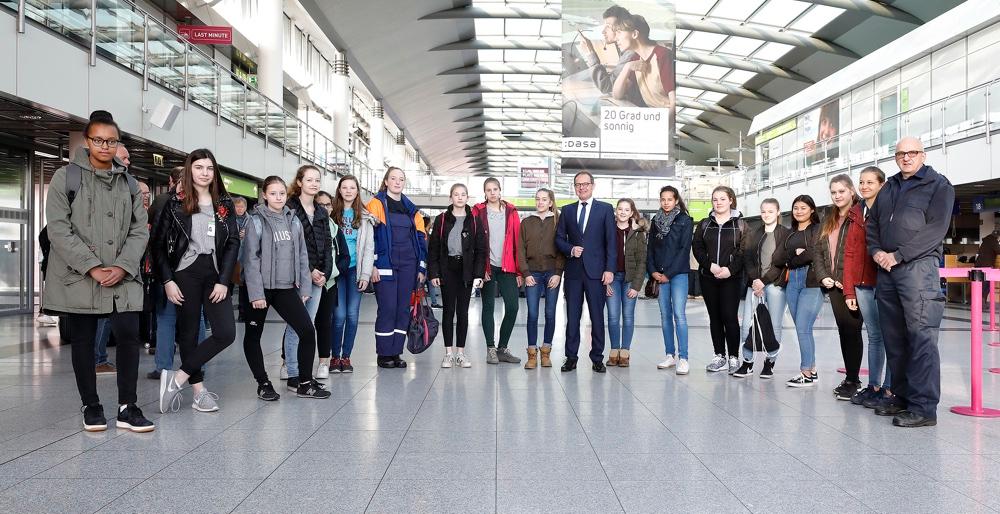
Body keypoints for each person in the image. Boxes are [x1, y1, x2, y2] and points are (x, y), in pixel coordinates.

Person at [43, 110, 153, 432]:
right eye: (99, 140)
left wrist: (122, 265)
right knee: (84, 340)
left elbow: (140, 229)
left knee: (130, 336)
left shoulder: (129, 183)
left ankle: (127, 407)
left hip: (123, 275)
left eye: (111, 140)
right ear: (88, 141)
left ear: (118, 142)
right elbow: (59, 230)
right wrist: (92, 266)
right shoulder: (66, 177)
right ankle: (91, 405)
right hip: (80, 276)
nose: (105, 146)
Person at [867, 137, 954, 427]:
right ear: (895, 157)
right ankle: (901, 398)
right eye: (901, 153)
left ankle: (924, 407)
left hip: (918, 269)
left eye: (912, 153)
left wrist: (899, 255)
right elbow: (873, 225)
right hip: (887, 271)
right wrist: (878, 252)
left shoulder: (938, 185)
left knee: (921, 337)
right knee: (894, 338)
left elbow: (936, 229)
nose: (906, 157)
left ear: (922, 155)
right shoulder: (889, 186)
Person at [151, 149, 240, 414]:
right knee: (189, 333)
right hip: (185, 272)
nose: (204, 173)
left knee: (225, 333)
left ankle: (177, 379)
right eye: (199, 167)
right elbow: (156, 245)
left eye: (209, 168)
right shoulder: (173, 202)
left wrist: (224, 280)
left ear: (215, 172)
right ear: (190, 170)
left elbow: (234, 241)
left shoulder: (223, 203)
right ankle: (199, 392)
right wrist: (167, 280)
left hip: (215, 274)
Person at [242, 176, 330, 400]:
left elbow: (302, 256)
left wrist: (305, 288)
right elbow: (250, 259)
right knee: (254, 335)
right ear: (264, 195)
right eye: (273, 193)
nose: (278, 197)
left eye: (281, 193)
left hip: (285, 288)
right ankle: (263, 383)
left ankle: (304, 382)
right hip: (260, 289)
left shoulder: (293, 220)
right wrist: (256, 294)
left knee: (307, 331)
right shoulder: (256, 220)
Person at [147, 166, 205, 381]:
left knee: (166, 319)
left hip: (169, 270)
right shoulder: (203, 203)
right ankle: (197, 364)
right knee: (195, 318)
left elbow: (154, 238)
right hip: (194, 272)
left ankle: (163, 367)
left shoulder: (162, 201)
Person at [366, 167, 427, 368]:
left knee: (402, 309)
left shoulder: (412, 209)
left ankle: (396, 352)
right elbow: (370, 237)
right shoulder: (375, 205)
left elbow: (420, 238)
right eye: (393, 178)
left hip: (409, 264)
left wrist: (421, 267)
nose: (397, 182)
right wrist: (372, 264)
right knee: (388, 308)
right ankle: (384, 353)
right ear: (386, 181)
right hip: (385, 264)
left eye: (401, 179)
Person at [556, 171, 616, 373]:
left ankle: (597, 358)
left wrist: (609, 269)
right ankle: (571, 357)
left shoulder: (605, 209)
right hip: (573, 272)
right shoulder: (567, 210)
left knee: (597, 317)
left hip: (597, 273)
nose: (581, 188)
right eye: (578, 185)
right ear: (574, 187)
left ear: (593, 185)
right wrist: (570, 249)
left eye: (585, 184)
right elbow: (558, 239)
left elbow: (611, 242)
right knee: (572, 317)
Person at [814, 174, 865, 400]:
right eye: (833, 192)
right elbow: (818, 250)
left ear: (851, 191)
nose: (837, 196)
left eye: (841, 191)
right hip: (832, 284)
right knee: (845, 331)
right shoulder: (829, 216)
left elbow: (858, 252)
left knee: (853, 331)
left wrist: (847, 279)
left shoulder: (859, 214)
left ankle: (855, 380)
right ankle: (850, 377)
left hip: (852, 284)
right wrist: (824, 275)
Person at [280, 165, 333, 386]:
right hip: (298, 276)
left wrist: (324, 273)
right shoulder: (289, 208)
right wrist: (309, 271)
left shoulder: (321, 212)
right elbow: (291, 246)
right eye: (309, 180)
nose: (314, 184)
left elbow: (328, 245)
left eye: (317, 180)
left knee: (308, 325)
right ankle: (292, 371)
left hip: (319, 277)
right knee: (297, 324)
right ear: (299, 182)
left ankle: (301, 372)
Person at [843, 167, 891, 408]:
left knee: (890, 336)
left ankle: (889, 389)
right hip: (862, 285)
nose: (864, 186)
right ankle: (873, 386)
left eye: (870, 182)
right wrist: (849, 290)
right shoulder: (856, 212)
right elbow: (849, 253)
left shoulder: (889, 209)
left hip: (885, 282)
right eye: (861, 182)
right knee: (874, 336)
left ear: (881, 185)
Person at [428, 184, 485, 368]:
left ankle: (460, 352)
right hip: (447, 269)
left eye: (463, 194)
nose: (459, 197)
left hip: (466, 270)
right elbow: (434, 248)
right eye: (456, 194)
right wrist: (434, 272)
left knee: (463, 312)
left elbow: (481, 250)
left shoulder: (475, 220)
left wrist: (478, 274)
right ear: (450, 197)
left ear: (467, 197)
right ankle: (448, 353)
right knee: (448, 311)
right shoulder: (442, 219)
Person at [732, 198, 790, 379]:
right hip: (754, 285)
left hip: (775, 286)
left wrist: (764, 281)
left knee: (774, 326)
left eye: (770, 211)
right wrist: (755, 280)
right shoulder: (754, 234)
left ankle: (769, 363)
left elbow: (780, 262)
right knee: (747, 324)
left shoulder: (785, 234)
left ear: (778, 212)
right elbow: (747, 258)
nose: (766, 215)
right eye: (763, 211)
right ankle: (747, 363)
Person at [692, 186, 746, 373]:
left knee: (730, 317)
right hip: (708, 277)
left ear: (731, 200)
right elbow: (697, 248)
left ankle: (733, 356)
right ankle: (719, 356)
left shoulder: (741, 224)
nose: (718, 202)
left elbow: (743, 251)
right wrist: (710, 266)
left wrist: (729, 270)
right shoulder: (705, 224)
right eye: (715, 199)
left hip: (731, 278)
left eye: (722, 199)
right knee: (714, 317)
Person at [93, 143, 134, 374]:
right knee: (102, 317)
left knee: (107, 317)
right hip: (102, 266)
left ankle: (99, 358)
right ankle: (98, 360)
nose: (128, 162)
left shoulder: (127, 186)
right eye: (125, 158)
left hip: (119, 266)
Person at [472, 177, 523, 365]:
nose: (492, 193)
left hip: (507, 266)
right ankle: (491, 349)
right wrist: (480, 269)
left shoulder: (511, 212)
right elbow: (474, 243)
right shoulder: (478, 211)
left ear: (500, 191)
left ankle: (503, 348)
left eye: (495, 189)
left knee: (512, 307)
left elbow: (518, 242)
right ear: (484, 193)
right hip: (487, 267)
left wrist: (519, 271)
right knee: (488, 307)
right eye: (488, 190)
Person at [774, 195, 823, 388]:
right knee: (803, 329)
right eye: (796, 207)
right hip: (792, 282)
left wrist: (793, 259)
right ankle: (812, 369)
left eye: (803, 207)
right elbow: (778, 257)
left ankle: (805, 372)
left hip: (811, 281)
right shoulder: (790, 233)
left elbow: (814, 253)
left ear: (812, 209)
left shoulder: (817, 230)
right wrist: (795, 257)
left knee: (803, 327)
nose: (799, 211)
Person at [329, 175, 375, 373]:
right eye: (344, 187)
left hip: (355, 271)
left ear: (357, 191)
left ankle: (346, 357)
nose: (348, 191)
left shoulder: (365, 217)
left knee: (353, 316)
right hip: (336, 270)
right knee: (338, 316)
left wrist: (365, 275)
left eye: (352, 188)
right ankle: (334, 357)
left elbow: (368, 248)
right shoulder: (330, 214)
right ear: (339, 190)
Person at [647, 186, 693, 374]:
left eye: (669, 199)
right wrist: (653, 271)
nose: (666, 202)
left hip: (678, 274)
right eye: (663, 199)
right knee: (665, 315)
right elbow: (650, 249)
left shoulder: (685, 220)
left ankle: (684, 358)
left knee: (679, 315)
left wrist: (669, 274)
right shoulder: (655, 221)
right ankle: (670, 355)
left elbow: (684, 250)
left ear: (676, 200)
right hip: (659, 274)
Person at [518, 188, 564, 369]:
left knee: (550, 313)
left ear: (551, 202)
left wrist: (558, 273)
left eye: (544, 199)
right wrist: (526, 273)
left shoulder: (558, 222)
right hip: (533, 274)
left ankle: (546, 351)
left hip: (552, 272)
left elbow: (562, 249)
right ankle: (531, 353)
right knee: (532, 313)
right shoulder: (527, 222)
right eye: (538, 199)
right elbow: (520, 249)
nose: (540, 202)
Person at [606, 198, 647, 367]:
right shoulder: (608, 230)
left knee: (628, 317)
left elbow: (642, 261)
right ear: (616, 211)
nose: (622, 212)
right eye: (619, 209)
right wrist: (605, 281)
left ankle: (625, 351)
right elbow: (601, 256)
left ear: (631, 213)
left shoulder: (638, 233)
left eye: (626, 210)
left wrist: (637, 286)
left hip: (630, 280)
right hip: (612, 279)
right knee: (613, 316)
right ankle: (614, 350)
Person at [313, 190, 350, 377]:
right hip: (309, 281)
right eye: (321, 204)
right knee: (300, 323)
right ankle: (289, 361)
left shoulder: (335, 229)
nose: (325, 208)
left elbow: (345, 256)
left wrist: (334, 271)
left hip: (330, 282)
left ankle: (323, 362)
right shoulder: (307, 226)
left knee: (324, 323)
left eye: (328, 205)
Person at [611, 14, 675, 109]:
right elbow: (617, 94)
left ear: (635, 34)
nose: (616, 38)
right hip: (653, 116)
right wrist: (626, 68)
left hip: (669, 120)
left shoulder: (663, 55)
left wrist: (664, 124)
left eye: (619, 33)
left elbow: (674, 103)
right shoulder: (635, 59)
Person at [233, 196, 250, 322]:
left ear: (245, 207)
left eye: (242, 206)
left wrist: (247, 233)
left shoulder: (251, 220)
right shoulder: (230, 219)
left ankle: (242, 313)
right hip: (232, 257)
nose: (240, 209)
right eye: (237, 206)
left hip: (245, 258)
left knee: (243, 287)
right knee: (229, 285)